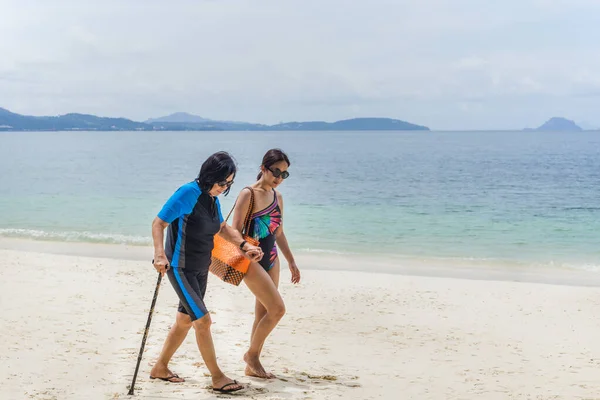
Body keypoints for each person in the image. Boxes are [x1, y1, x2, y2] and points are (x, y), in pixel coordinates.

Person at [149, 151, 263, 394]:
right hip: (180, 268)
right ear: (209, 175)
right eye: (222, 182)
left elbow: (222, 228)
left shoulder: (212, 199)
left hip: (201, 268)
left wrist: (244, 246)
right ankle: (217, 377)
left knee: (184, 321)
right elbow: (159, 223)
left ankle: (160, 367)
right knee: (203, 321)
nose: (224, 187)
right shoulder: (187, 193)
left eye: (229, 183)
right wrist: (159, 254)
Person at [231, 148, 301, 379]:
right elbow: (234, 231)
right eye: (276, 171)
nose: (279, 178)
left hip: (272, 259)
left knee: (262, 313)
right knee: (277, 309)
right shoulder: (247, 193)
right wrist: (247, 248)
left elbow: (279, 233)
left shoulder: (277, 197)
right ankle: (251, 355)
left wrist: (291, 261)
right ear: (263, 168)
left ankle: (252, 366)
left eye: (284, 174)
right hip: (252, 261)